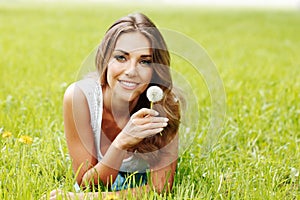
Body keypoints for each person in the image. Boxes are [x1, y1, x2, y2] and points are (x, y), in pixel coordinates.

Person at [49, 12, 181, 199]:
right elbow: (87, 184)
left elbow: (159, 189)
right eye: (121, 57)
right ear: (105, 59)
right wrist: (121, 143)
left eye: (144, 61)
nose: (131, 71)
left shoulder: (165, 105)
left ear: (155, 69)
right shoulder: (80, 98)